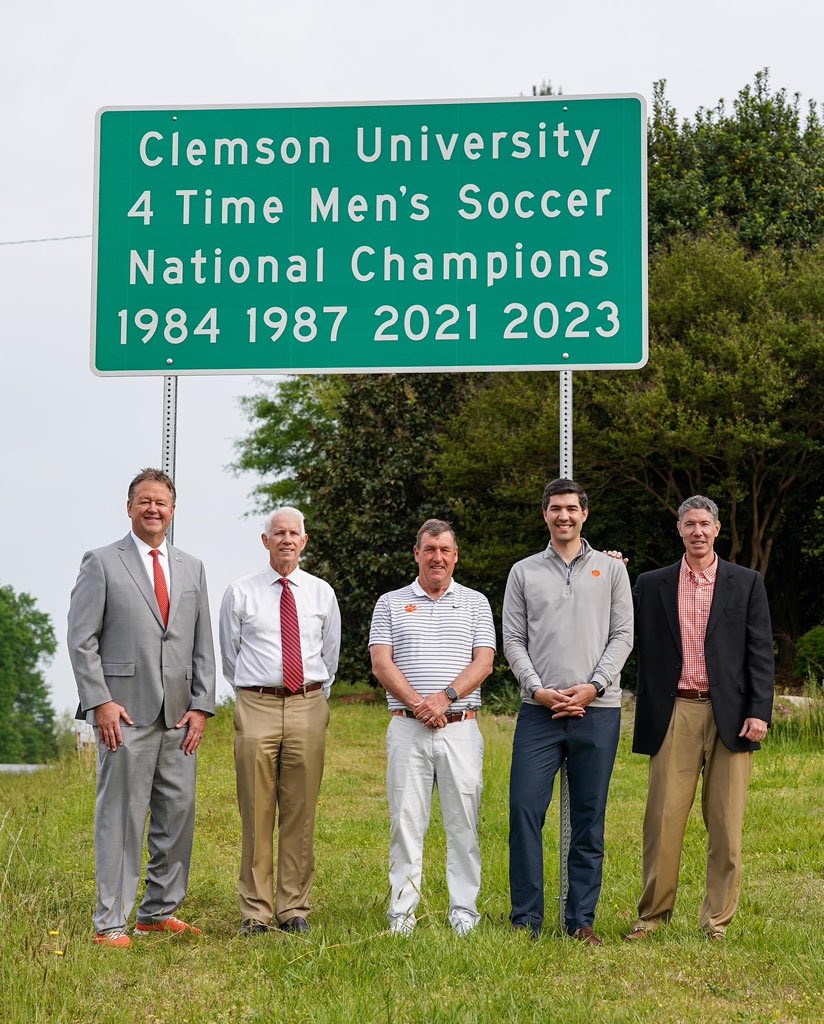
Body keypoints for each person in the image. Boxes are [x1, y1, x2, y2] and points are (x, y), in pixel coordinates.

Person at [68, 468, 215, 948]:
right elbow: (81, 640)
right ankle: (110, 922)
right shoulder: (102, 562)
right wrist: (100, 702)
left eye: (163, 503)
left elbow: (201, 645)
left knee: (178, 814)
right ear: (129, 507)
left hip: (179, 717)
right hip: (124, 716)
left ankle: (157, 912)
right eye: (145, 501)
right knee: (122, 819)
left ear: (174, 512)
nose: (154, 509)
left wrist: (201, 706)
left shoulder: (192, 567)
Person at [625, 495, 774, 942]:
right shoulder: (650, 584)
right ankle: (652, 918)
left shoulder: (745, 583)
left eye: (704, 523)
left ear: (717, 529)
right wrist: (609, 569)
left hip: (731, 714)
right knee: (663, 822)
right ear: (679, 530)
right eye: (689, 523)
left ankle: (717, 922)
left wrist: (759, 712)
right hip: (674, 711)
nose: (697, 531)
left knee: (726, 826)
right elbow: (617, 626)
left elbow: (760, 652)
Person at [503, 478, 633, 944]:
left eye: (572, 509)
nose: (564, 516)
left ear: (585, 514)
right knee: (523, 810)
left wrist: (594, 687)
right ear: (545, 515)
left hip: (597, 710)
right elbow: (513, 640)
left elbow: (623, 635)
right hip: (538, 712)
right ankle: (526, 920)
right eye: (556, 508)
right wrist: (537, 689)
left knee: (588, 816)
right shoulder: (523, 572)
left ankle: (581, 920)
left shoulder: (612, 571)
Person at [369, 519, 495, 937]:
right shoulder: (390, 602)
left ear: (455, 555)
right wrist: (419, 705)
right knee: (406, 822)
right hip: (407, 728)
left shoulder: (476, 602)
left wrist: (445, 698)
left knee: (463, 823)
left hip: (461, 727)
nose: (437, 557)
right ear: (416, 554)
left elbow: (484, 662)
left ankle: (464, 912)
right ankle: (402, 914)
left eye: (444, 549)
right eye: (429, 549)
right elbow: (381, 663)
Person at [219, 507, 340, 936]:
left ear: (304, 541)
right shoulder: (240, 592)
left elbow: (330, 654)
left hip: (308, 704)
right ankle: (256, 911)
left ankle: (293, 908)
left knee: (300, 810)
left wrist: (309, 696)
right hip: (257, 705)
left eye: (294, 533)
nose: (287, 539)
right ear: (265, 539)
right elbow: (230, 658)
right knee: (256, 808)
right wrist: (257, 691)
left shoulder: (322, 593)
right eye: (278, 533)